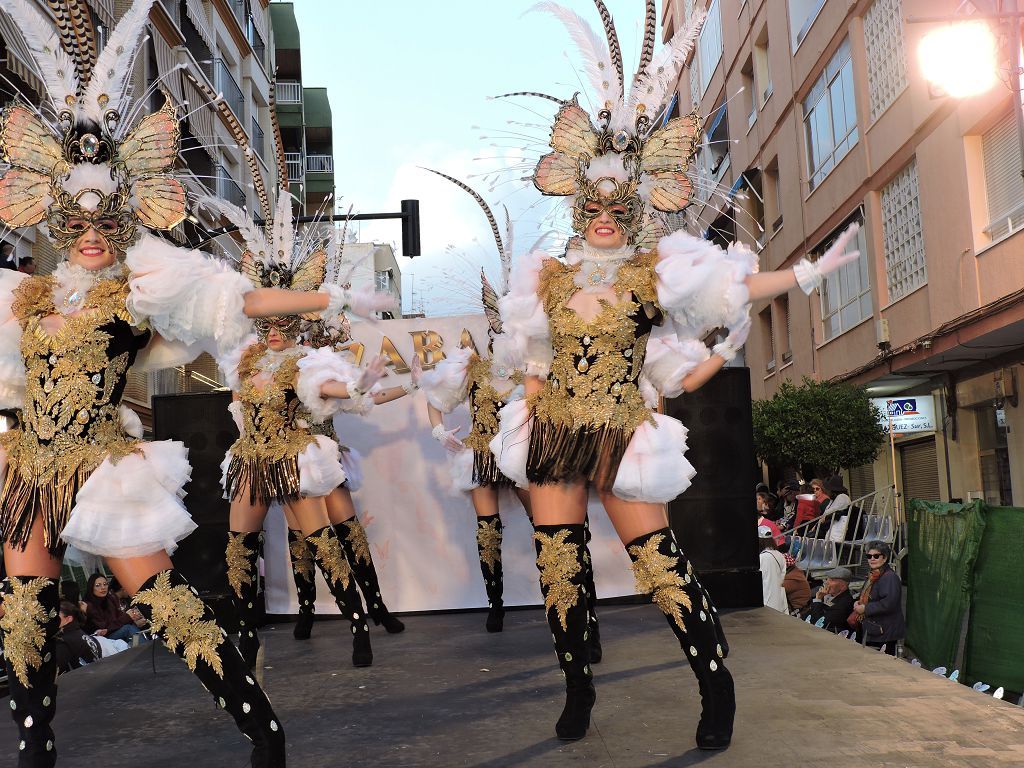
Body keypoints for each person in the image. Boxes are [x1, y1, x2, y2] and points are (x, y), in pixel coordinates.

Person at [0, 2, 373, 762]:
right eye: (77, 222)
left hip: (102, 464)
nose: (93, 233)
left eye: (106, 221)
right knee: (23, 610)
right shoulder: (26, 296)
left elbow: (236, 299)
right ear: (56, 219)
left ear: (131, 215)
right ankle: (37, 749)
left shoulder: (141, 288)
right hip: (26, 466)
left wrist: (327, 297)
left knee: (163, 602)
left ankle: (258, 722)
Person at [490, 3, 859, 750]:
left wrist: (806, 274)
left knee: (659, 565)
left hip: (621, 429)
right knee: (558, 569)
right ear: (575, 201)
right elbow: (533, 362)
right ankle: (577, 688)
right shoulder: (546, 277)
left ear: (632, 209)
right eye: (590, 204)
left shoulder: (654, 274)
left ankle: (713, 682)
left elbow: (728, 287)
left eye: (615, 205)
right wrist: (525, 424)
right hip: (555, 430)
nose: (602, 215)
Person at [208, 191, 395, 670]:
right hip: (252, 457)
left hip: (292, 457)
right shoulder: (244, 363)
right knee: (238, 548)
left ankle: (358, 625)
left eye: (283, 322)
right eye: (267, 322)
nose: (274, 331)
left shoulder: (303, 362)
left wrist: (359, 385)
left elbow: (328, 388)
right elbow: (237, 405)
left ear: (296, 324)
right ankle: (246, 636)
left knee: (322, 541)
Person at [418, 170, 601, 650]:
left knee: (555, 529)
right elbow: (435, 400)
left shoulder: (537, 363)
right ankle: (496, 603)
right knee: (487, 532)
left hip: (525, 450)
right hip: (482, 452)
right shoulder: (473, 367)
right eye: (494, 323)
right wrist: (441, 434)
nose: (501, 331)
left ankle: (583, 613)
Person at [285, 312, 412, 642]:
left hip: (325, 460)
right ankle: (306, 610)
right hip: (290, 463)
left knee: (350, 532)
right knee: (301, 538)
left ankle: (377, 606)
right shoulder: (282, 372)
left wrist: (410, 385)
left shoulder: (326, 377)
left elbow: (366, 396)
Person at [851, 542, 905, 654]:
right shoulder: (874, 574)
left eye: (876, 556)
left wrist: (865, 609)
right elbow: (867, 596)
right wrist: (858, 603)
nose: (872, 559)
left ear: (884, 558)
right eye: (869, 556)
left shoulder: (889, 577)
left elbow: (888, 604)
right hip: (875, 628)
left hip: (884, 631)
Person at [81, 573, 144, 643]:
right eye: (98, 585)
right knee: (128, 629)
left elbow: (119, 619)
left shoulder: (110, 599)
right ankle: (144, 649)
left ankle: (140, 648)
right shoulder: (89, 605)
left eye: (105, 584)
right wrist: (127, 617)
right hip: (103, 639)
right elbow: (105, 628)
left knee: (138, 628)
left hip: (115, 632)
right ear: (91, 588)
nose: (103, 587)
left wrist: (133, 619)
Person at [801, 566, 855, 632]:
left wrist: (818, 600)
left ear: (843, 586)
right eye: (827, 579)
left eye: (832, 580)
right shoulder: (828, 596)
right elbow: (807, 615)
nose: (827, 583)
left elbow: (819, 623)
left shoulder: (844, 603)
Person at [54, 601, 99, 674]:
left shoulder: (64, 641)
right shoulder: (77, 631)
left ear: (68, 619)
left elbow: (55, 671)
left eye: (56, 616)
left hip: (83, 680)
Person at [758, 527, 788, 613]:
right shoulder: (780, 555)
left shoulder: (762, 557)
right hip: (779, 601)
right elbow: (782, 578)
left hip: (766, 601)